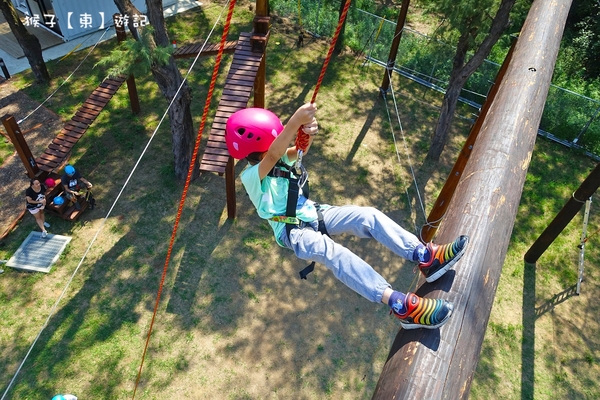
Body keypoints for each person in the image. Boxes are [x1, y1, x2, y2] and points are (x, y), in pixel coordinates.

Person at [225, 104, 470, 329]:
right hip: (292, 231)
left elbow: (297, 150)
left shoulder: (277, 155)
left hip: (313, 212)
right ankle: (400, 305)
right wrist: (295, 121)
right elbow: (273, 155)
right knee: (335, 254)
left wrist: (306, 132)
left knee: (368, 216)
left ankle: (424, 256)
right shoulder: (250, 176)